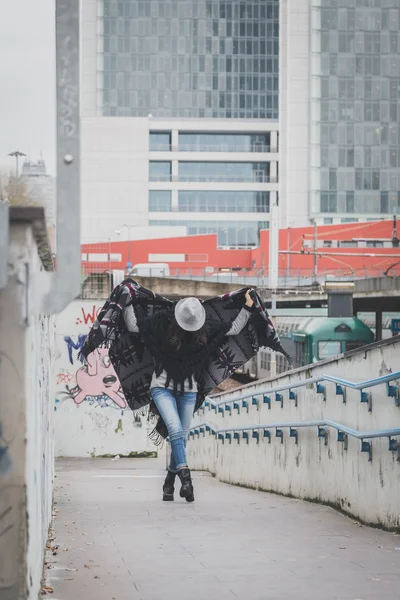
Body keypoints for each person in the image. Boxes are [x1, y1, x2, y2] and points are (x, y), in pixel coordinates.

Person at [122, 289, 255, 503]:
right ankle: (186, 478)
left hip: (189, 391)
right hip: (161, 387)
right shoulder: (161, 324)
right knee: (174, 429)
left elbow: (233, 329)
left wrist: (248, 306)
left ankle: (168, 482)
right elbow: (133, 326)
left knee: (181, 439)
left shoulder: (206, 328)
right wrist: (126, 302)